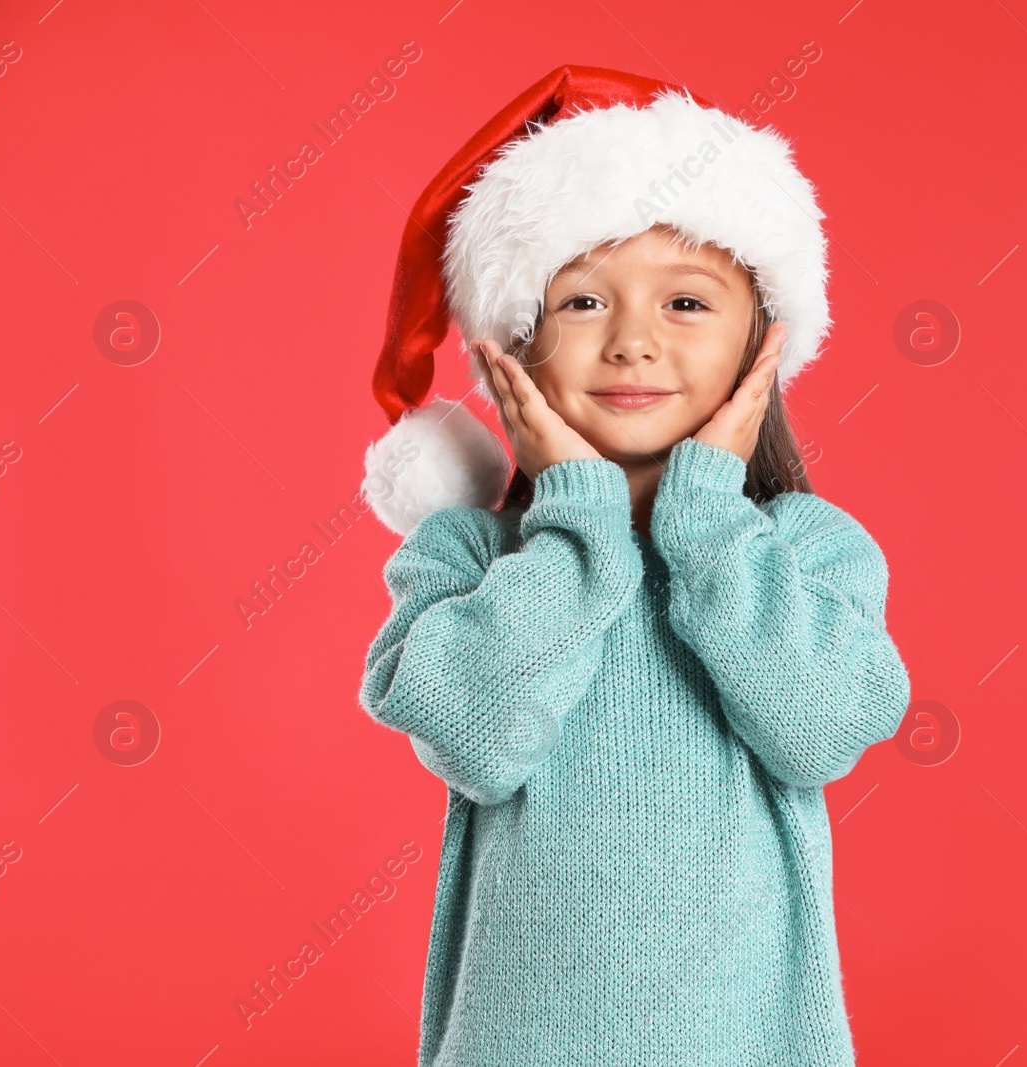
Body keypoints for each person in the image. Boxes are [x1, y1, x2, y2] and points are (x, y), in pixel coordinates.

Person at [357, 65, 912, 1067]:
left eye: (687, 301)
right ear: (511, 347)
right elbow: (474, 737)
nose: (631, 342)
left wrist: (705, 516)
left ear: (762, 342)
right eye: (581, 300)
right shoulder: (469, 554)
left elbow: (821, 728)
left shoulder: (807, 548)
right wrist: (573, 523)